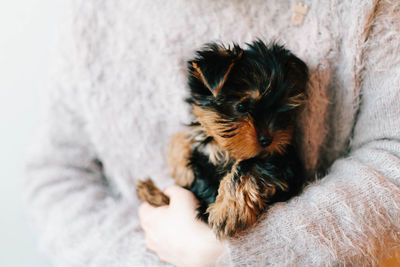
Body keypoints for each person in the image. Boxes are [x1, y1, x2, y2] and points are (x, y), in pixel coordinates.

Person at [24, 0, 400, 266]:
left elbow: (393, 161)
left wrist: (239, 255)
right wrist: (164, 256)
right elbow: (56, 177)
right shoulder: (92, 16)